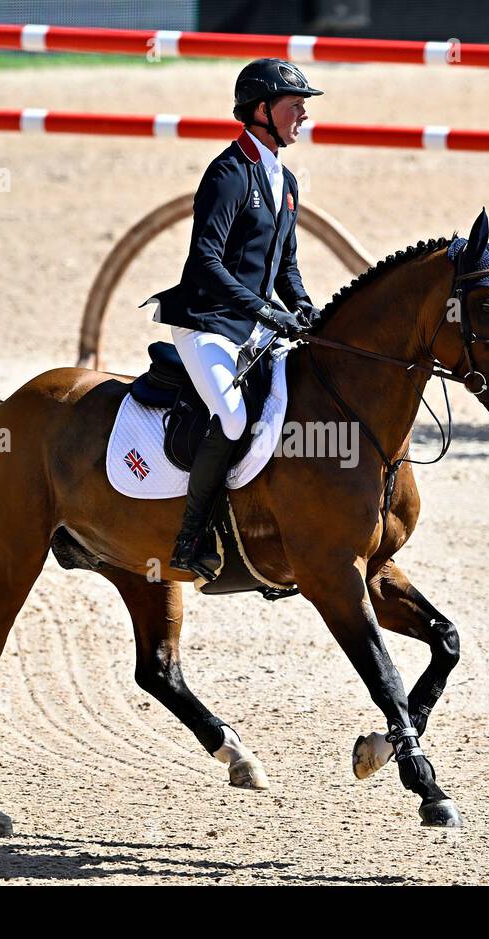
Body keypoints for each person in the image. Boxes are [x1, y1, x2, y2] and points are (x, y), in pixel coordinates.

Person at [143, 58, 324, 581]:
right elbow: (206, 262)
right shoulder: (227, 174)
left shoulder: (285, 179)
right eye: (296, 106)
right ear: (263, 110)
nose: (304, 116)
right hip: (206, 323)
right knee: (233, 417)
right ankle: (190, 536)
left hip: (254, 326)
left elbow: (284, 265)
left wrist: (303, 307)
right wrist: (264, 310)